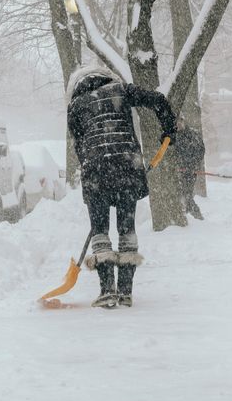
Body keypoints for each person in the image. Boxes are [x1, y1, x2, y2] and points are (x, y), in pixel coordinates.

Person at [66, 63, 177, 309]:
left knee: (100, 229)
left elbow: (79, 147)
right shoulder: (122, 90)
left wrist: (92, 171)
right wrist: (169, 128)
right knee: (127, 227)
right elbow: (158, 100)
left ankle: (107, 290)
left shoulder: (75, 106)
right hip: (126, 167)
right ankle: (125, 291)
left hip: (95, 171)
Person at [172, 117, 205, 220]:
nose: (179, 125)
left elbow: (200, 151)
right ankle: (187, 216)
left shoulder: (193, 135)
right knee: (180, 194)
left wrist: (193, 166)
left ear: (184, 122)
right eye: (177, 123)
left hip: (190, 171)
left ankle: (197, 216)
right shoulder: (173, 136)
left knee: (187, 195)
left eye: (180, 122)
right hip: (178, 171)